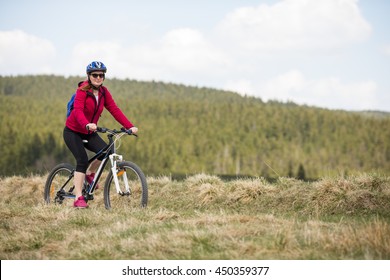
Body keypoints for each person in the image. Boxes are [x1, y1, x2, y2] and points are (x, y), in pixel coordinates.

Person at [63, 61, 138, 208]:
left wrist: (129, 126)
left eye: (101, 75)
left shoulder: (104, 92)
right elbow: (77, 111)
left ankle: (90, 174)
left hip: (90, 131)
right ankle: (78, 198)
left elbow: (114, 109)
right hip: (73, 131)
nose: (98, 77)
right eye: (95, 75)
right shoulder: (82, 91)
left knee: (106, 151)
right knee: (82, 160)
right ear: (89, 76)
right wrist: (86, 124)